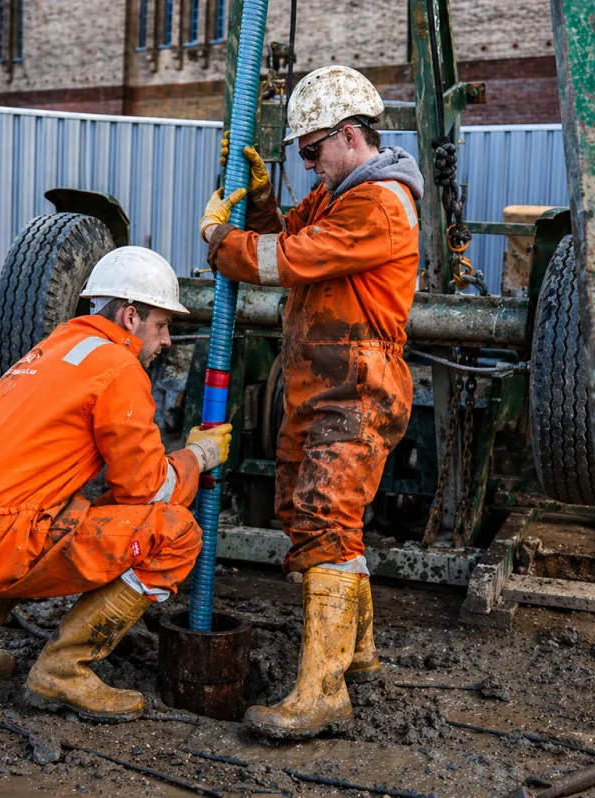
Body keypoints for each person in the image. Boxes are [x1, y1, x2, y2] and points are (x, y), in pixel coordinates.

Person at [0, 246, 232, 723]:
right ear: (130, 316)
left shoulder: (53, 349)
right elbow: (148, 492)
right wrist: (198, 456)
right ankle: (63, 669)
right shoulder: (119, 369)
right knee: (176, 533)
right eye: (162, 325)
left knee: (50, 507)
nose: (167, 340)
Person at [199, 65, 424, 739]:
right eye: (298, 154)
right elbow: (286, 235)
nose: (306, 164)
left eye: (312, 150)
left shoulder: (378, 204)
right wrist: (259, 202)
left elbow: (287, 260)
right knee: (312, 521)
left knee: (325, 515)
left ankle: (322, 693)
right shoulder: (337, 195)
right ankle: (357, 653)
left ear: (350, 135)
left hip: (357, 387)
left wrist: (219, 241)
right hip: (318, 387)